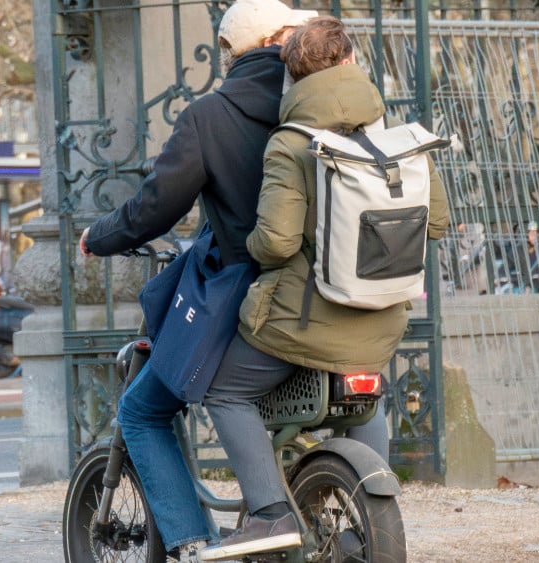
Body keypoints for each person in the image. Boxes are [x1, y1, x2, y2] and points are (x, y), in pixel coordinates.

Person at [198, 16, 450, 561]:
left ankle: (268, 515)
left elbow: (276, 244)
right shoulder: (400, 140)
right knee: (364, 388)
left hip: (303, 322)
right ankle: (369, 504)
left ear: (292, 77)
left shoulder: (290, 143)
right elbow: (435, 225)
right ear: (352, 62)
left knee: (224, 390)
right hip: (381, 320)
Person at [77, 1, 317, 561]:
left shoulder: (210, 116)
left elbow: (154, 209)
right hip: (334, 297)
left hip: (251, 306)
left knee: (141, 410)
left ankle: (191, 542)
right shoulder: (320, 105)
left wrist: (100, 235)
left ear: (231, 53)